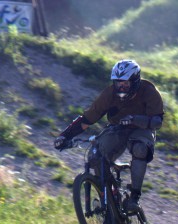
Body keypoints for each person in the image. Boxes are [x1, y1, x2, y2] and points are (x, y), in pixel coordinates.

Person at [54, 59, 164, 213]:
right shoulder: (109, 94)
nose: (121, 87)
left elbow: (157, 121)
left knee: (140, 149)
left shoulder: (149, 91)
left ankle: (134, 197)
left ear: (136, 81)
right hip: (118, 128)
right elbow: (88, 119)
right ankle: (109, 198)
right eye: (118, 83)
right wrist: (65, 136)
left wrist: (136, 119)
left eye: (125, 83)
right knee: (95, 156)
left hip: (143, 128)